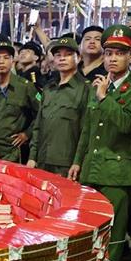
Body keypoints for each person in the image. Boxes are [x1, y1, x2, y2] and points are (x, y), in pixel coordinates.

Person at [70, 24, 131, 261]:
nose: (113, 58)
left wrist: (104, 98)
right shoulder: (99, 85)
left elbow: (128, 124)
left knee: (113, 232)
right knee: (86, 228)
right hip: (91, 169)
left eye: (120, 53)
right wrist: (77, 161)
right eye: (108, 53)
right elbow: (87, 129)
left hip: (117, 173)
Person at [26, 37, 89, 176]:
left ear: (78, 58)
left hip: (67, 163)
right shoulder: (49, 88)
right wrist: (32, 157)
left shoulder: (86, 89)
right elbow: (38, 126)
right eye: (58, 55)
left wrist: (78, 162)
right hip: (42, 160)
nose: (62, 58)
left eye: (68, 54)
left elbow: (86, 130)